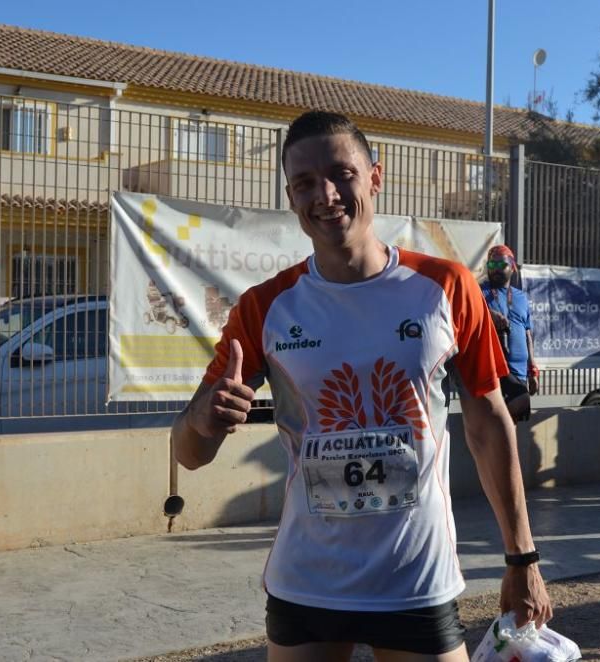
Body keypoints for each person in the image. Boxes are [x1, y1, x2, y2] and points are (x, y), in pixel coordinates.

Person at [171, 110, 551, 661]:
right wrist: (201, 420)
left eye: (341, 174)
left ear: (375, 176)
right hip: (308, 581)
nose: (325, 194)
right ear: (290, 196)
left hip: (416, 578)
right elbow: (189, 454)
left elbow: (489, 422)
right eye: (304, 183)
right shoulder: (264, 308)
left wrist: (522, 559)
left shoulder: (445, 287)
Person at [481, 244, 538, 421]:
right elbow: (465, 313)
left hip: (520, 371)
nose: (495, 269)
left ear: (512, 267)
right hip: (494, 370)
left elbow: (527, 335)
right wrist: (488, 314)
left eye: (501, 265)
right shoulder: (479, 292)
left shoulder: (520, 297)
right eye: (491, 265)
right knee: (516, 404)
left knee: (513, 421)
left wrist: (532, 369)